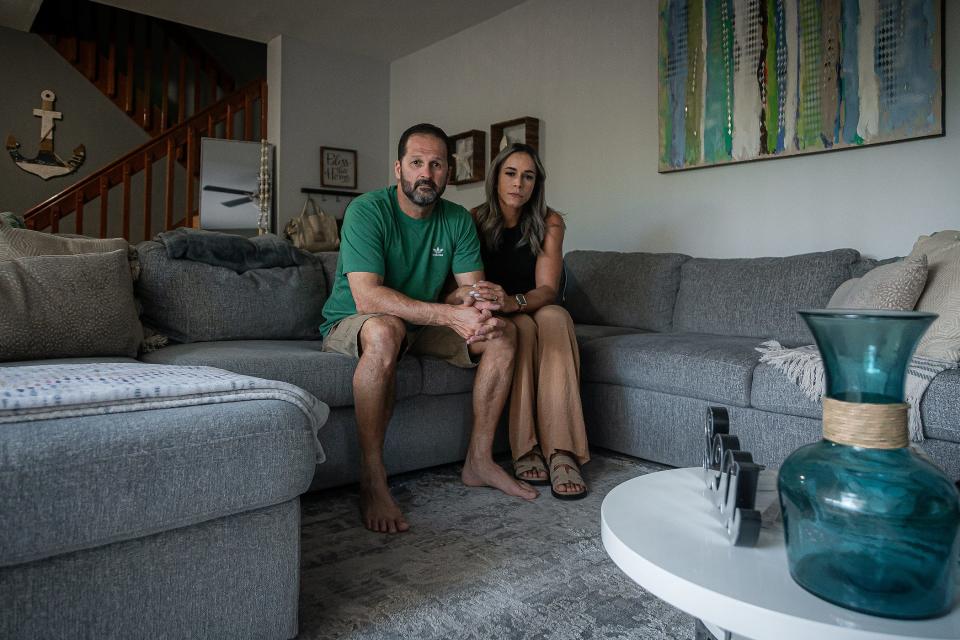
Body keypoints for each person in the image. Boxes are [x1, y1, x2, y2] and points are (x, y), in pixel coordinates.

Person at [320, 124, 538, 534]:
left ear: (448, 172)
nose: (427, 172)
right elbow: (368, 298)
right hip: (357, 321)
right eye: (417, 162)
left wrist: (479, 302)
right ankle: (372, 477)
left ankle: (479, 461)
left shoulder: (457, 219)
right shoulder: (367, 211)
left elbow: (466, 290)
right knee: (386, 330)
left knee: (502, 333)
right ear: (399, 167)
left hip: (419, 326)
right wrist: (448, 314)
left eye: (436, 164)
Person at [455, 143, 589, 500]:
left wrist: (513, 301)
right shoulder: (473, 219)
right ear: (496, 177)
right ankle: (525, 447)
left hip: (528, 302)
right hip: (496, 313)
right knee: (523, 329)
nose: (519, 184)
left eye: (528, 176)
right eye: (511, 174)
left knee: (557, 317)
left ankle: (562, 451)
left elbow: (547, 289)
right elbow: (468, 284)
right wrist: (499, 305)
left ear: (537, 183)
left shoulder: (550, 222)